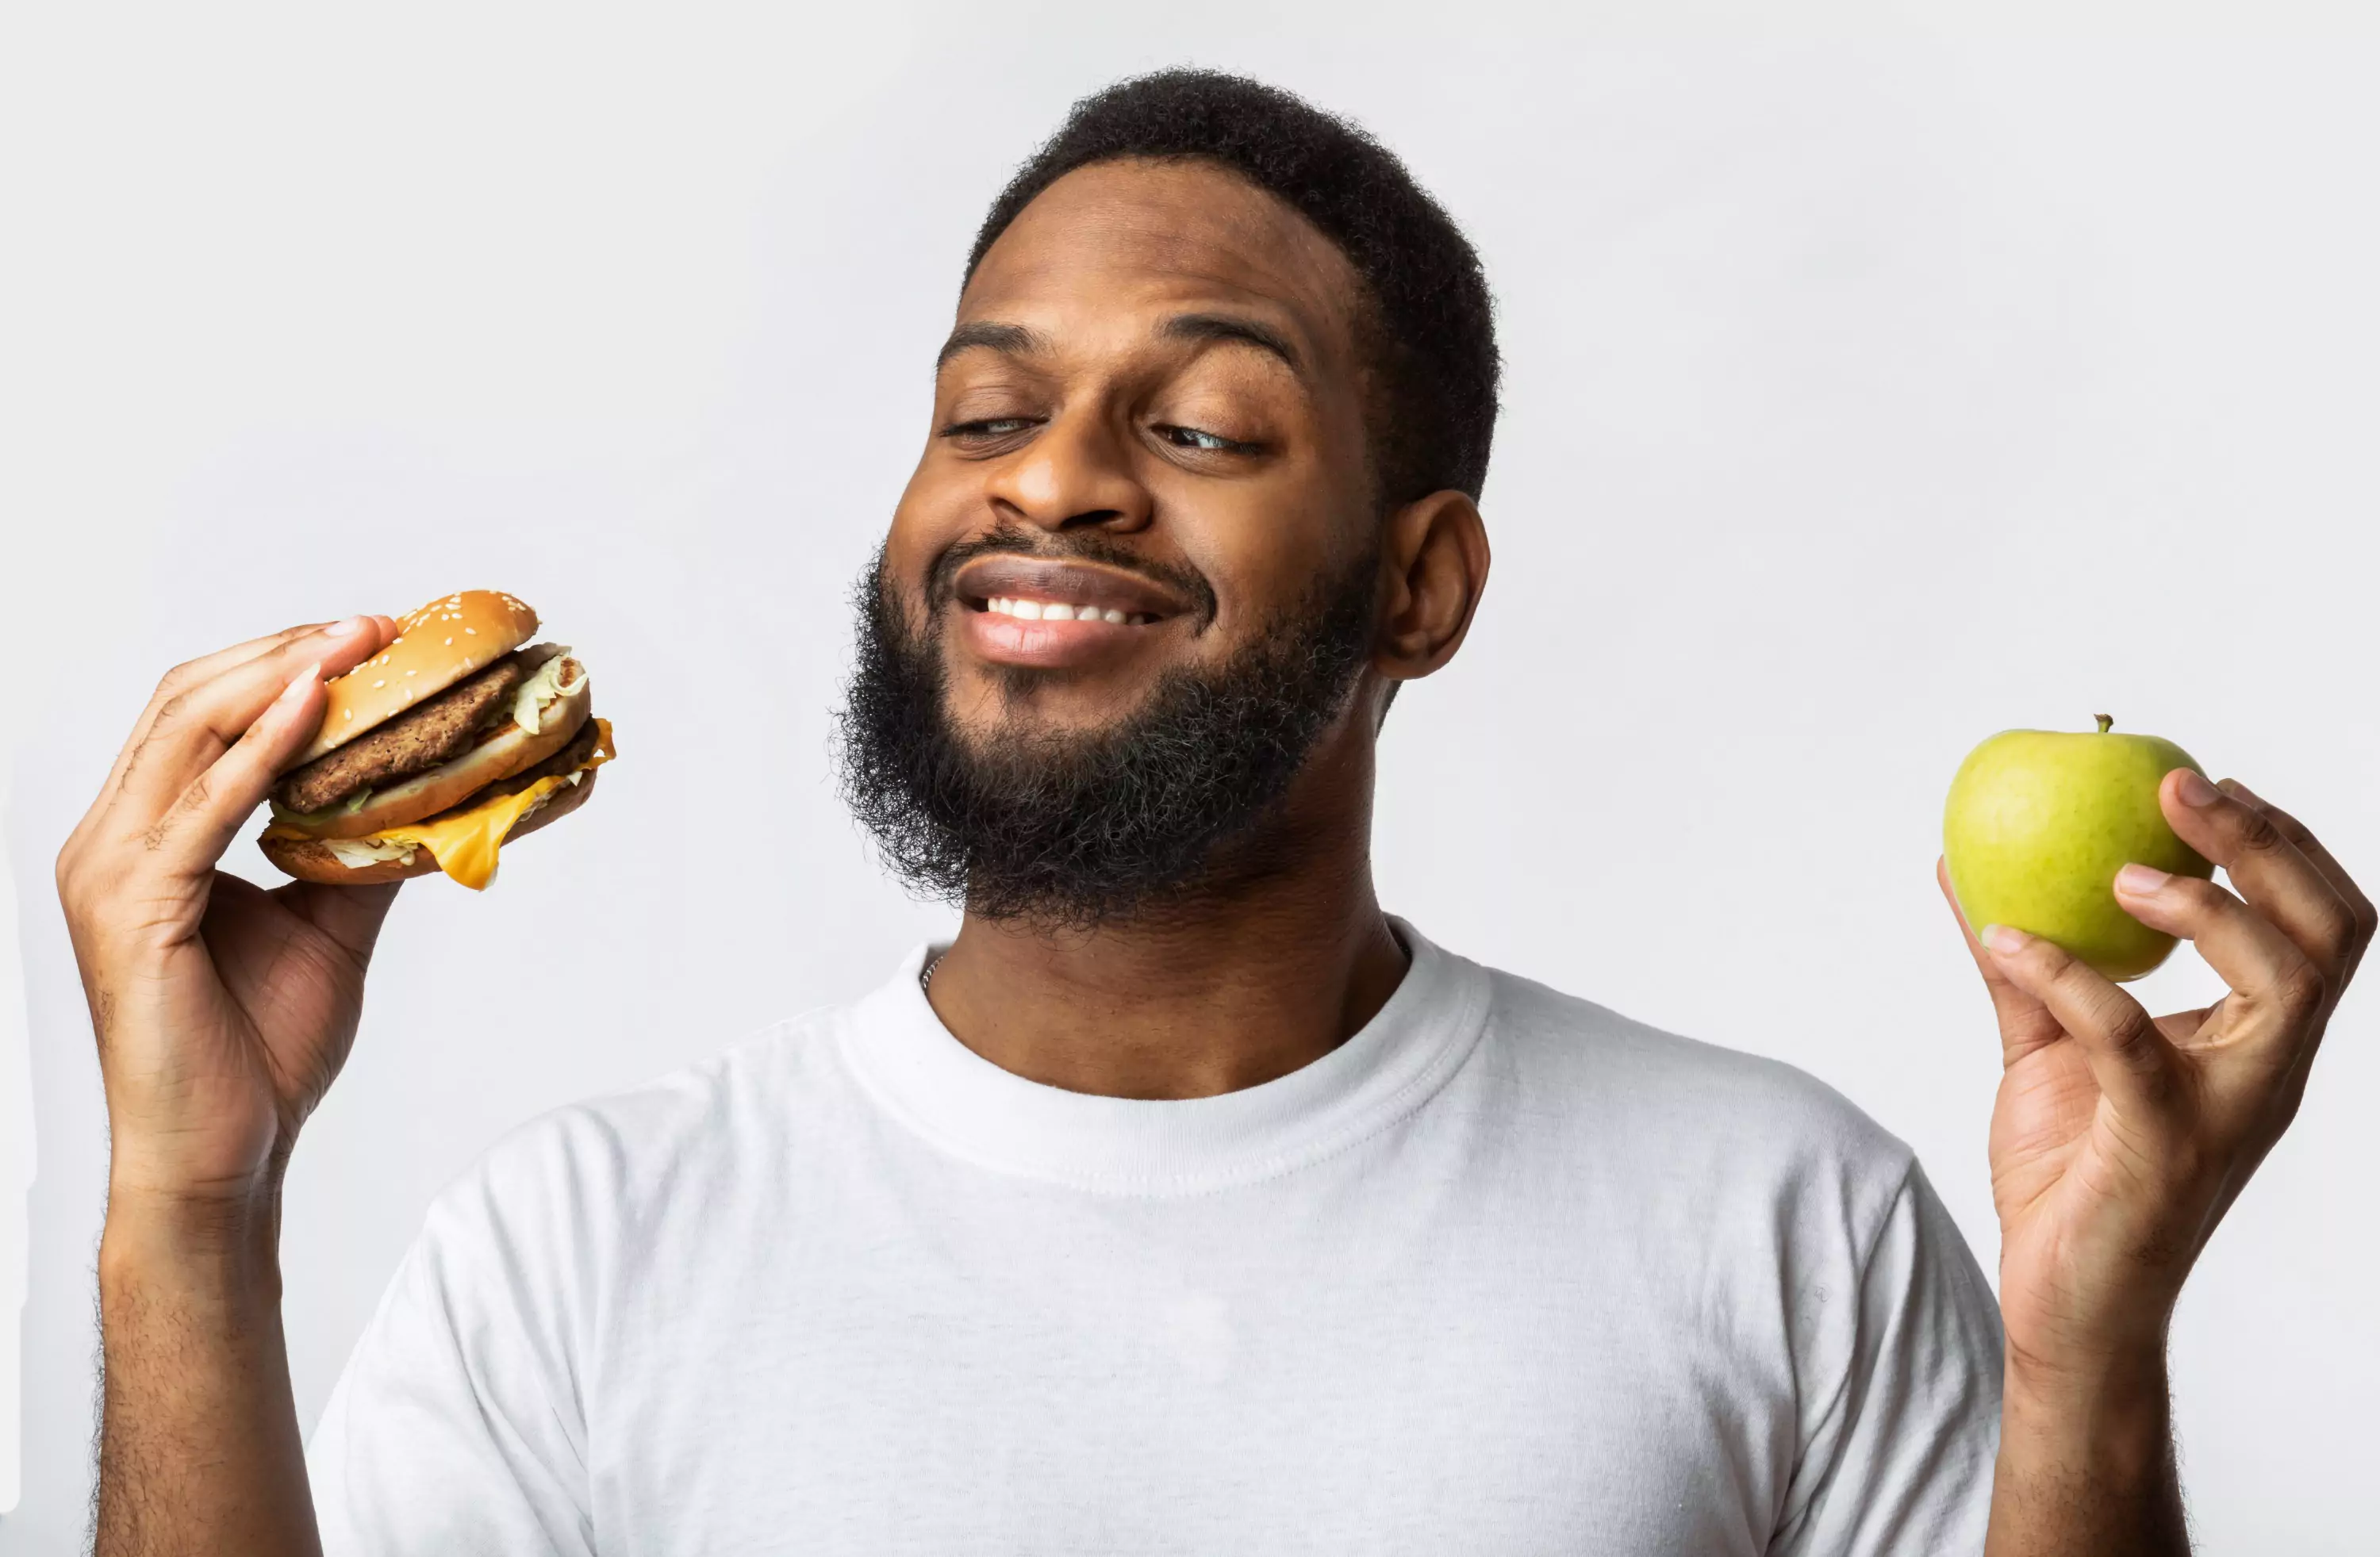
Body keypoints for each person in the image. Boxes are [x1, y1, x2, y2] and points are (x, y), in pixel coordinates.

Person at [56, 70, 2369, 1556]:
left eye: (1202, 430)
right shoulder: (581, 1247)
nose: (1051, 481)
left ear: (1422, 586)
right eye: (988, 414)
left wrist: (2093, 1349)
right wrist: (185, 1202)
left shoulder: (1771, 1214)